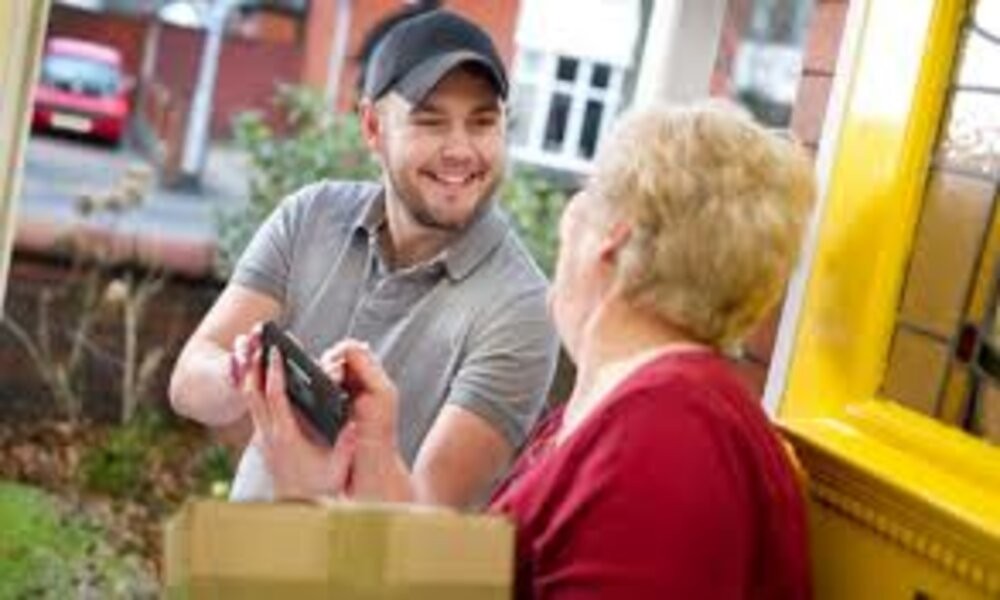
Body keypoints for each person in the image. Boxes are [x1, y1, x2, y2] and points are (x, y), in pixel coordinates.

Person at [243, 101, 815, 598]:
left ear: (611, 239)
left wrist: (307, 499)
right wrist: (371, 459)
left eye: (583, 199)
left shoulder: (668, 440)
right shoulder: (633, 414)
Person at [168, 9, 559, 506]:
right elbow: (188, 382)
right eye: (431, 121)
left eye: (483, 123)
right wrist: (241, 374)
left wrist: (365, 447)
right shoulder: (311, 215)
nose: (461, 150)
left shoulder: (522, 307)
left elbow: (428, 516)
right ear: (373, 127)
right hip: (246, 546)